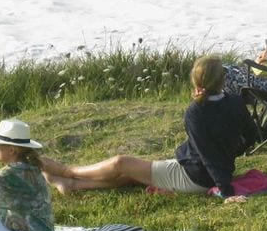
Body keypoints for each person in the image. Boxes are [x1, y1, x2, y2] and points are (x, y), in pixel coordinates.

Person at [41, 55, 255, 202]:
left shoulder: (196, 112)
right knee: (130, 175)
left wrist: (226, 191)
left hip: (196, 177)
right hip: (210, 171)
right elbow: (252, 136)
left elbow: (207, 154)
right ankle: (72, 185)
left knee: (120, 163)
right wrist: (228, 153)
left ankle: (67, 171)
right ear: (222, 80)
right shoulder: (236, 102)